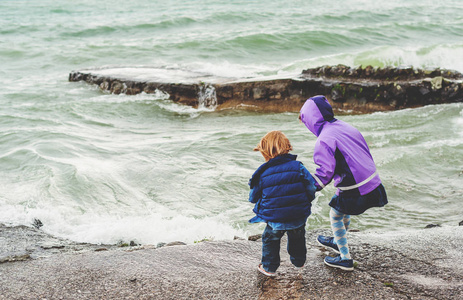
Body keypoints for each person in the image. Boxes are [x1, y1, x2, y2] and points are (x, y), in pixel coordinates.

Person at [299, 95, 388, 271]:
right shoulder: (344, 126)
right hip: (370, 177)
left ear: (311, 120)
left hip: (355, 184)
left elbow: (325, 172)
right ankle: (336, 240)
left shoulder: (324, 139)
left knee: (335, 215)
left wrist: (310, 188)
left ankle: (345, 258)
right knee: (342, 209)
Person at [248, 130, 316, 277]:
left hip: (275, 218)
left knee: (270, 240)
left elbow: (253, 197)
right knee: (297, 237)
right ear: (287, 147)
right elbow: (311, 187)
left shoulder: (262, 173)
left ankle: (269, 268)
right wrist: (304, 201)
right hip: (297, 216)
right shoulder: (298, 167)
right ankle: (299, 262)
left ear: (265, 152)